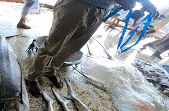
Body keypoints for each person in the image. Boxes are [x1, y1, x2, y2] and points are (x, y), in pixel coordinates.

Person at [26, 0, 159, 96]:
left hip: (103, 9)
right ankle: (32, 77)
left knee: (74, 46)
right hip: (78, 4)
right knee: (53, 45)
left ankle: (51, 70)